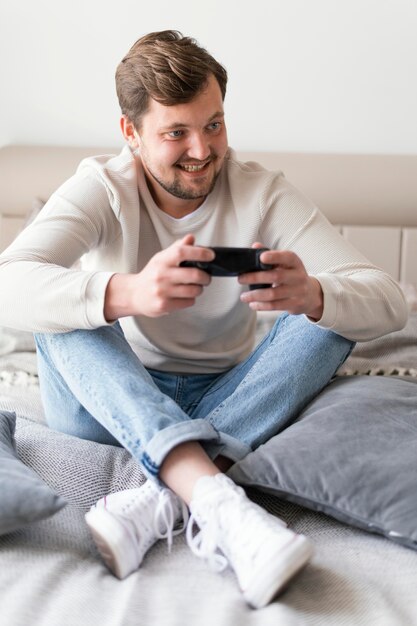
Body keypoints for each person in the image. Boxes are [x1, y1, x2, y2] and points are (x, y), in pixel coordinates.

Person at [0, 30, 407, 609]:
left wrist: (312, 293)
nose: (203, 148)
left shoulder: (262, 191)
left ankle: (167, 495)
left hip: (227, 397)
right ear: (131, 134)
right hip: (112, 404)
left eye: (214, 123)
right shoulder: (101, 187)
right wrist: (127, 292)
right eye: (176, 132)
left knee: (333, 313)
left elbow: (387, 299)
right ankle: (217, 496)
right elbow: (8, 280)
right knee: (64, 310)